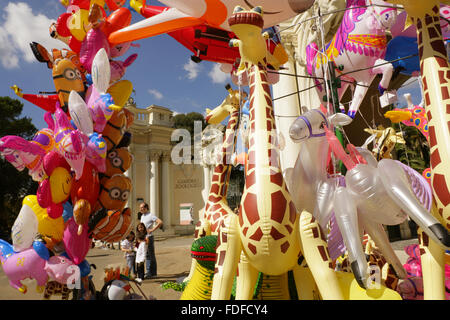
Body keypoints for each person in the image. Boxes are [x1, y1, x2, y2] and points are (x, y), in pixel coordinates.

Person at [139, 202, 163, 279]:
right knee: (147, 255)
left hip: (149, 237)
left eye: (142, 207)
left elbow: (160, 222)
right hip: (143, 237)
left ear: (146, 208)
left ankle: (150, 272)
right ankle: (152, 272)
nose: (140, 209)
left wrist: (152, 229)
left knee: (150, 255)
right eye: (140, 208)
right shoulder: (142, 216)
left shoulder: (150, 215)